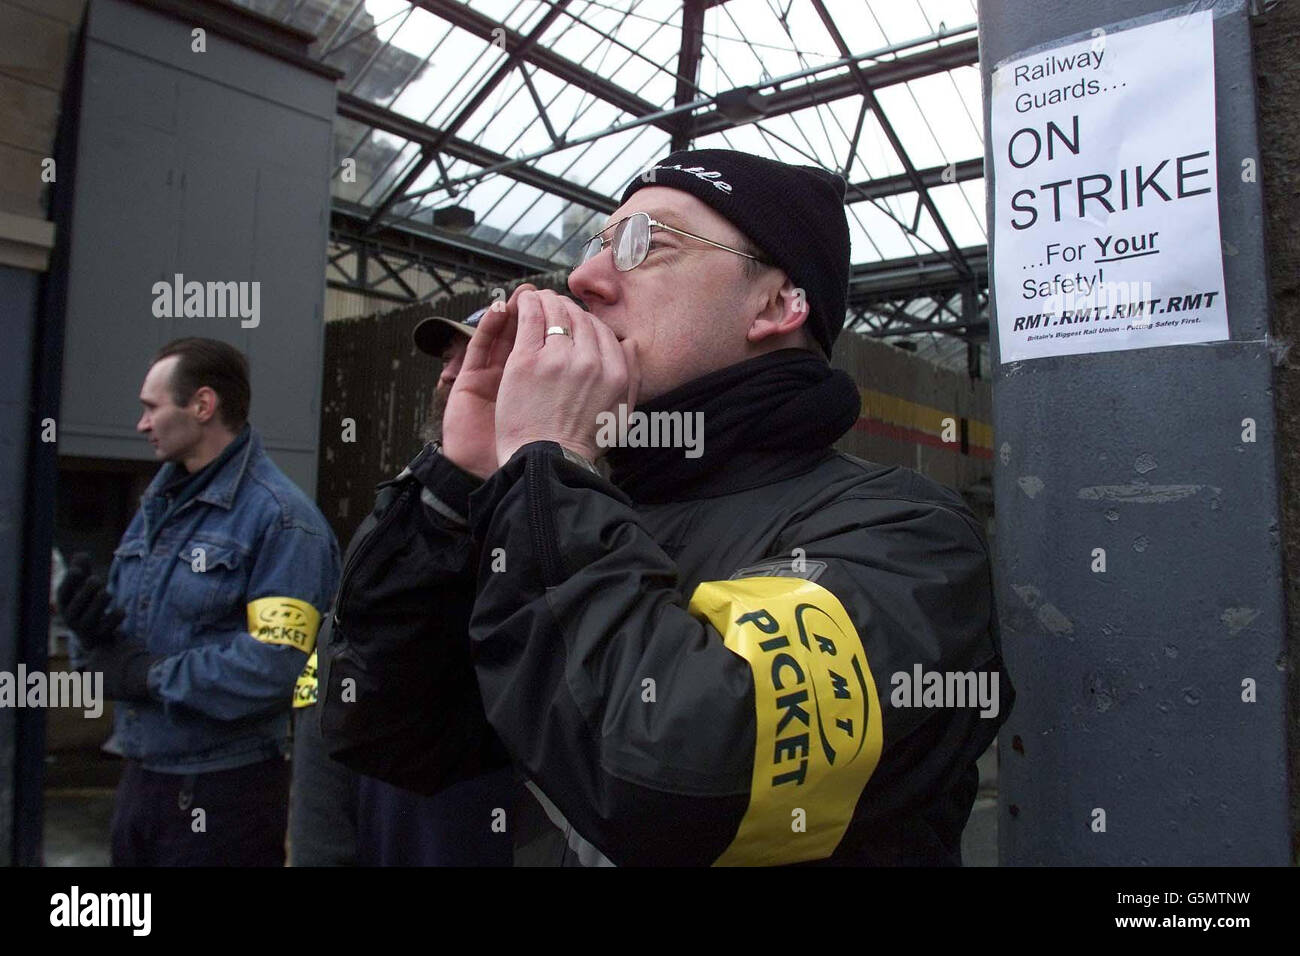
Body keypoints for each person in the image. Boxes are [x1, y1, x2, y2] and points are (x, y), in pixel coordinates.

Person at [336, 149, 1013, 865]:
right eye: (598, 245)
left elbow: (672, 777)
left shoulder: (905, 534)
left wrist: (551, 462)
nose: (584, 279)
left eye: (644, 244)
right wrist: (456, 486)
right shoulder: (582, 510)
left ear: (777, 304)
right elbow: (387, 730)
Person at [57, 337, 340, 866]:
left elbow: (276, 666)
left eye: (151, 406)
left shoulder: (283, 522)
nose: (142, 424)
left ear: (203, 405)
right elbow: (125, 646)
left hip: (222, 795)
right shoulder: (158, 508)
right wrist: (91, 636)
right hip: (142, 776)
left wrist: (149, 675)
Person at [290, 307, 515, 866]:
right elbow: (329, 689)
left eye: (476, 358)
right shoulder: (402, 521)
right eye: (446, 361)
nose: (447, 375)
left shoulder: (568, 529)